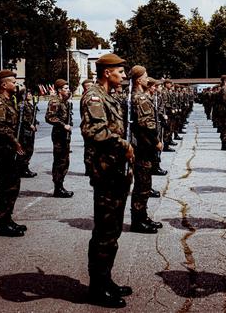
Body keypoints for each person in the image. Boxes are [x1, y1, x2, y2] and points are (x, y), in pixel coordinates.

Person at [81, 53, 136, 308]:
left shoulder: (110, 96)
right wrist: (123, 144)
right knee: (104, 230)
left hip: (115, 169)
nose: (124, 76)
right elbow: (94, 130)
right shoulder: (94, 96)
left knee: (112, 230)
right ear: (107, 72)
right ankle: (97, 287)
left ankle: (105, 279)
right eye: (120, 71)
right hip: (104, 171)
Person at [0, 70, 26, 237]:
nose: (16, 84)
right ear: (4, 85)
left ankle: (8, 220)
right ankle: (3, 224)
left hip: (10, 149)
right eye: (13, 81)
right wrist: (14, 141)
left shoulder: (10, 101)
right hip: (4, 150)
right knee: (6, 187)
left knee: (13, 186)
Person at [129, 66, 163, 233]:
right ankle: (137, 220)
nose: (147, 78)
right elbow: (147, 125)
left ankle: (142, 216)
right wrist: (156, 141)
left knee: (144, 184)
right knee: (142, 186)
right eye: (145, 76)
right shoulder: (140, 98)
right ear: (138, 80)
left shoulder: (138, 96)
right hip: (143, 146)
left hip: (143, 145)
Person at [46, 79, 74, 198]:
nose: (68, 90)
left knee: (64, 160)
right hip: (59, 134)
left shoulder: (65, 102)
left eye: (68, 88)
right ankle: (58, 188)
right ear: (59, 90)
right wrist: (63, 125)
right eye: (65, 89)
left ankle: (60, 185)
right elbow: (49, 117)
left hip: (65, 135)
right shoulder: (55, 102)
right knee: (59, 161)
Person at [17, 89, 39, 178]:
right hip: (24, 130)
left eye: (30, 93)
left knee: (29, 149)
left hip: (30, 130)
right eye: (27, 93)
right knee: (25, 149)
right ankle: (22, 169)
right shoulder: (21, 104)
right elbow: (21, 117)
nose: (30, 95)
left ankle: (25, 167)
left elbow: (32, 116)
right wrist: (29, 124)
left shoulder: (30, 104)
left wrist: (35, 123)